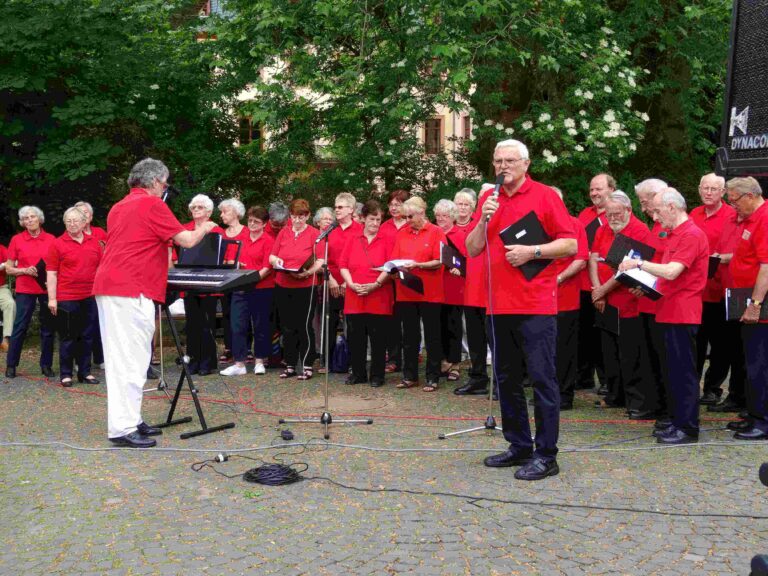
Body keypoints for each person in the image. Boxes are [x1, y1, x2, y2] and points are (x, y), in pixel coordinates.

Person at [467, 139, 576, 480]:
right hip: (497, 305)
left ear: (526, 164)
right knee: (506, 379)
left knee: (542, 380)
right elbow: (472, 249)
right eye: (498, 160)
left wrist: (533, 252)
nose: (503, 166)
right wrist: (483, 221)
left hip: (535, 305)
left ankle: (547, 454)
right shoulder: (488, 199)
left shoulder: (545, 196)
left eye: (510, 160)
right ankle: (518, 446)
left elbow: (570, 244)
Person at [93, 158, 216, 448]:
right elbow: (186, 240)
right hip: (129, 289)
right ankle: (122, 428)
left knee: (133, 358)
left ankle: (131, 419)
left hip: (120, 286)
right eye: (165, 183)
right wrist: (206, 228)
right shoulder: (151, 204)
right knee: (129, 359)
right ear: (155, 182)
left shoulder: (119, 206)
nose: (165, 188)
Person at [619, 188, 709, 444]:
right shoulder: (674, 234)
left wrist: (638, 264)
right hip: (667, 310)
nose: (656, 216)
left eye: (658, 211)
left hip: (682, 313)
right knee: (672, 372)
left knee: (683, 373)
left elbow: (671, 271)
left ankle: (688, 427)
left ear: (672, 207)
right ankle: (677, 421)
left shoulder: (691, 234)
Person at [589, 191, 654, 416]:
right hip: (606, 300)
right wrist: (597, 289)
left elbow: (624, 270)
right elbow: (593, 258)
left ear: (628, 210)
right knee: (610, 352)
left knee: (630, 354)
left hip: (628, 301)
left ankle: (635, 400)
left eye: (617, 214)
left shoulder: (639, 231)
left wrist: (600, 291)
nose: (613, 218)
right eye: (608, 214)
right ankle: (615, 395)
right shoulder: (603, 229)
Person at [723, 177, 768, 440]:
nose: (732, 206)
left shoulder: (764, 219)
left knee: (759, 364)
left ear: (750, 196)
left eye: (734, 200)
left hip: (758, 304)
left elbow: (766, 266)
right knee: (750, 362)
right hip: (745, 298)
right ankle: (753, 414)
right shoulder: (751, 218)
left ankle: (763, 421)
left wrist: (755, 304)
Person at [689, 173, 736, 406]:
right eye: (705, 188)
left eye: (713, 189)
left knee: (720, 345)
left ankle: (713, 388)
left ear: (723, 192)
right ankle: (691, 386)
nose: (708, 192)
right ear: (699, 190)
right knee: (695, 342)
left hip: (719, 290)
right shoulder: (693, 214)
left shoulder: (732, 215)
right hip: (695, 291)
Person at [390, 196, 446, 391]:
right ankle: (410, 375)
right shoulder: (402, 233)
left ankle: (433, 376)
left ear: (422, 212)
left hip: (430, 292)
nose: (407, 220)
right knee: (409, 336)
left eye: (410, 216)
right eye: (405, 217)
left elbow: (440, 260)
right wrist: (393, 269)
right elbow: (395, 258)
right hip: (406, 291)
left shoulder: (436, 232)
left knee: (432, 336)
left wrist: (418, 265)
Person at [46, 207, 103, 386]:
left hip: (90, 296)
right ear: (65, 223)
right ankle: (66, 373)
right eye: (68, 221)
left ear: (84, 222)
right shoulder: (57, 244)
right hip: (67, 296)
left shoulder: (95, 242)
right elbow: (52, 273)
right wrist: (52, 298)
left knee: (87, 336)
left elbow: (102, 269)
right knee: (69, 336)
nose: (72, 224)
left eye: (76, 220)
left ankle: (85, 372)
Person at [269, 199, 325, 380]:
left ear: (308, 216)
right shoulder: (284, 232)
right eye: (294, 217)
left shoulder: (315, 234)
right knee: (287, 326)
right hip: (283, 283)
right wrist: (276, 262)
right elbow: (272, 256)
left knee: (304, 325)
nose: (297, 220)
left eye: (301, 217)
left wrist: (308, 272)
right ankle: (290, 364)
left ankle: (307, 364)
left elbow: (321, 261)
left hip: (305, 286)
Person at [339, 200, 393, 386]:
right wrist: (351, 284)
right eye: (372, 219)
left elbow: (390, 266)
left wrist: (376, 284)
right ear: (363, 218)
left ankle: (377, 375)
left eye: (378, 219)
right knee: (355, 338)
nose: (375, 223)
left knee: (378, 340)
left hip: (379, 295)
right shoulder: (352, 238)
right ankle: (358, 373)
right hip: (355, 295)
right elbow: (343, 265)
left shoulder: (387, 239)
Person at [633, 178, 671, 429]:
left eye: (646, 203)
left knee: (665, 358)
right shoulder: (656, 225)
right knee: (650, 357)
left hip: (664, 303)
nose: (644, 209)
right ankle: (654, 403)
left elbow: (669, 266)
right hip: (648, 299)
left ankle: (667, 409)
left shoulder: (672, 227)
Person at [220, 206, 274, 376]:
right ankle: (239, 363)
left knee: (260, 325)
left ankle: (259, 361)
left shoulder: (269, 240)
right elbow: (230, 260)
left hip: (262, 288)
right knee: (237, 325)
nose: (252, 224)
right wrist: (236, 266)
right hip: (240, 288)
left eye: (256, 222)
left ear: (264, 223)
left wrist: (251, 279)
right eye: (250, 220)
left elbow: (267, 267)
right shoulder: (241, 238)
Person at [4, 206, 57, 378]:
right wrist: (24, 270)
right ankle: (11, 365)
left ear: (39, 219)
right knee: (20, 327)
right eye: (25, 218)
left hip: (45, 287)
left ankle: (46, 365)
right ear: (22, 222)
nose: (29, 220)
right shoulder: (16, 240)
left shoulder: (51, 239)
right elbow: (9, 269)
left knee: (48, 328)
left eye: (32, 217)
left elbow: (57, 265)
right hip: (25, 288)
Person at [576, 173, 615, 394]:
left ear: (611, 189)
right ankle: (584, 377)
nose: (594, 193)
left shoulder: (615, 215)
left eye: (599, 189)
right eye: (592, 189)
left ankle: (607, 379)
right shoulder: (585, 214)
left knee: (604, 335)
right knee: (584, 334)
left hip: (605, 283)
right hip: (582, 284)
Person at [551, 187, 588, 410]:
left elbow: (581, 258)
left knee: (564, 349)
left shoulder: (575, 224)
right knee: (545, 349)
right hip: (541, 300)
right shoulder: (540, 226)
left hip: (565, 297)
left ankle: (564, 394)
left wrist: (559, 277)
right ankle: (547, 392)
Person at [453, 188, 491, 397]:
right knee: (476, 340)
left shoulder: (496, 219)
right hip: (472, 291)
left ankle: (503, 382)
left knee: (497, 340)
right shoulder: (475, 222)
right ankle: (477, 378)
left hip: (492, 291)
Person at [180, 194, 224, 376]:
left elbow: (219, 256)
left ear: (209, 212)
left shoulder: (216, 230)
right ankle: (193, 361)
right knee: (192, 323)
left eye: (200, 207)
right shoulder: (184, 229)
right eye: (193, 207)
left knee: (207, 323)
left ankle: (207, 362)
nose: (196, 210)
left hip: (208, 282)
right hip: (189, 281)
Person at [324, 193, 362, 371]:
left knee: (353, 326)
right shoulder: (330, 231)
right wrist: (331, 280)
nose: (336, 210)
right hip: (331, 282)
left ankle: (353, 362)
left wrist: (348, 283)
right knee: (329, 323)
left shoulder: (360, 230)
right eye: (335, 207)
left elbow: (361, 259)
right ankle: (329, 361)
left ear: (351, 210)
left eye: (340, 207)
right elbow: (324, 259)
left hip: (352, 284)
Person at [434, 199, 466, 382]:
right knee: (438, 327)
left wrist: (459, 269)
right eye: (438, 215)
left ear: (452, 217)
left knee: (453, 326)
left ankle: (455, 364)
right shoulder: (433, 232)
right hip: (436, 287)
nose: (441, 219)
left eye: (445, 216)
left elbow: (465, 260)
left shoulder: (459, 234)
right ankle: (442, 360)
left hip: (454, 286)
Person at [380, 189, 410, 374]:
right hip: (389, 279)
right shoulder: (384, 226)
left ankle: (410, 358)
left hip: (408, 277)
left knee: (409, 322)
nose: (393, 207)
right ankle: (394, 358)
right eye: (391, 204)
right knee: (391, 321)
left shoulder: (411, 224)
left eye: (398, 204)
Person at [74, 201, 107, 368]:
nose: (83, 215)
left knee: (99, 321)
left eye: (86, 212)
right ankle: (80, 360)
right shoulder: (72, 235)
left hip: (100, 284)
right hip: (79, 286)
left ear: (91, 216)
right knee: (81, 325)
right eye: (79, 212)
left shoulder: (100, 233)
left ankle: (100, 358)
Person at [0, 242, 15, 353]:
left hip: (1, 288)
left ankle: (6, 339)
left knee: (10, 304)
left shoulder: (2, 248)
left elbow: (12, 262)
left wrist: (6, 265)